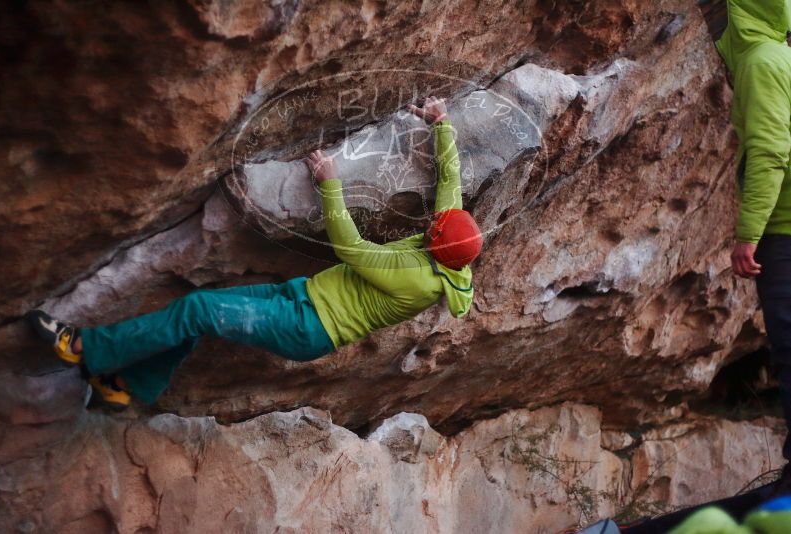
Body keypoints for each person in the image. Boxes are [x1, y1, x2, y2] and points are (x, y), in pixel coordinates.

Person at [26, 96, 483, 411]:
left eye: (432, 230)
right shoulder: (452, 246)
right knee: (199, 316)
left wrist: (330, 184)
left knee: (199, 308)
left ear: (436, 246)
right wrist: (440, 124)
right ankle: (129, 387)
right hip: (302, 298)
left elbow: (351, 248)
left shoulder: (419, 278)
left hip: (309, 326)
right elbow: (450, 184)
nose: (430, 223)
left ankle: (84, 347)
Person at [716, 0, 791, 494]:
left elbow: (769, 149)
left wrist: (748, 234)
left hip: (784, 230)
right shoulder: (780, 55)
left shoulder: (761, 60)